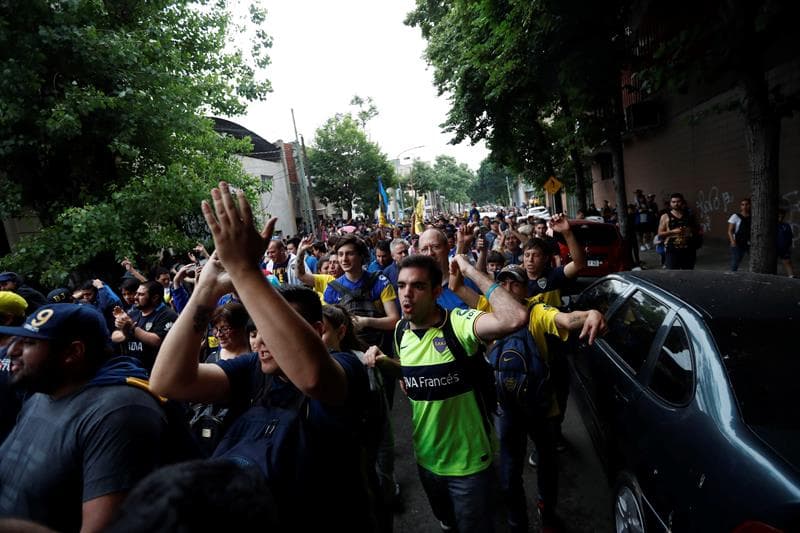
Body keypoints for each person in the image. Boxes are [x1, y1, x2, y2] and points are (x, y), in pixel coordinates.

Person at [150, 183, 377, 532]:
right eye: (255, 330)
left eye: (275, 329)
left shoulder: (346, 367)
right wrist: (205, 290)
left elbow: (312, 378)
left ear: (316, 331)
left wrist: (244, 270)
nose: (260, 340)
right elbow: (168, 381)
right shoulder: (253, 370)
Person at [365, 254, 528, 532]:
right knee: (447, 523)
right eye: (402, 285)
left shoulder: (458, 324)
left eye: (417, 286)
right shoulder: (401, 331)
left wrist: (468, 270)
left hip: (469, 465)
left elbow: (516, 318)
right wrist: (385, 363)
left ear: (436, 291)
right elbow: (410, 370)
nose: (406, 294)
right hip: (426, 460)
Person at [449, 264, 607, 532]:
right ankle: (516, 522)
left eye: (515, 283)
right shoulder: (488, 308)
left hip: (540, 408)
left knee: (547, 465)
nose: (509, 289)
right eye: (504, 283)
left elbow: (567, 320)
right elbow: (455, 287)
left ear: (526, 288)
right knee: (510, 473)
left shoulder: (536, 310)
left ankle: (547, 511)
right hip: (506, 409)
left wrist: (591, 313)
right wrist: (462, 262)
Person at [0, 303, 168, 532]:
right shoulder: (40, 395)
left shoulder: (121, 412)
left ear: (73, 352)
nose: (12, 351)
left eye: (29, 343)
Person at [323, 234, 399, 350]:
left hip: (381, 350)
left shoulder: (380, 282)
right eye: (340, 254)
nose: (344, 259)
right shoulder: (332, 289)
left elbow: (394, 320)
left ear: (361, 256)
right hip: (348, 352)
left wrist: (366, 321)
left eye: (350, 253)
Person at [111, 280, 178, 372]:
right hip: (133, 370)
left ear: (154, 297)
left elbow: (157, 341)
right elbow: (117, 339)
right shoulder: (133, 314)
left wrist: (131, 327)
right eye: (136, 294)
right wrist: (121, 324)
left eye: (141, 295)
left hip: (156, 372)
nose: (135, 297)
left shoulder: (168, 315)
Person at [657, 193, 700, 270]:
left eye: (678, 201)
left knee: (688, 273)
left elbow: (696, 230)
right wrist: (673, 231)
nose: (676, 204)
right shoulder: (665, 216)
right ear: (670, 203)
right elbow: (660, 234)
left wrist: (692, 233)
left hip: (688, 249)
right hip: (672, 250)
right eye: (673, 202)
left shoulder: (689, 215)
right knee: (672, 273)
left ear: (683, 202)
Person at [727, 198, 751, 272]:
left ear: (750, 205)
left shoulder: (753, 217)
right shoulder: (735, 216)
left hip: (749, 242)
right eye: (742, 205)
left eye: (746, 204)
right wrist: (732, 241)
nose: (744, 206)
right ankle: (732, 275)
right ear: (740, 206)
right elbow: (730, 231)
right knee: (736, 260)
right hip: (737, 242)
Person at [777, 208, 795, 277]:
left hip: (784, 248)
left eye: (782, 216)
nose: (780, 218)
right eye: (779, 216)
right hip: (773, 248)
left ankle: (791, 275)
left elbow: (790, 237)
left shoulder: (786, 226)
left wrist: (788, 246)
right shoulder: (771, 225)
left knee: (787, 262)